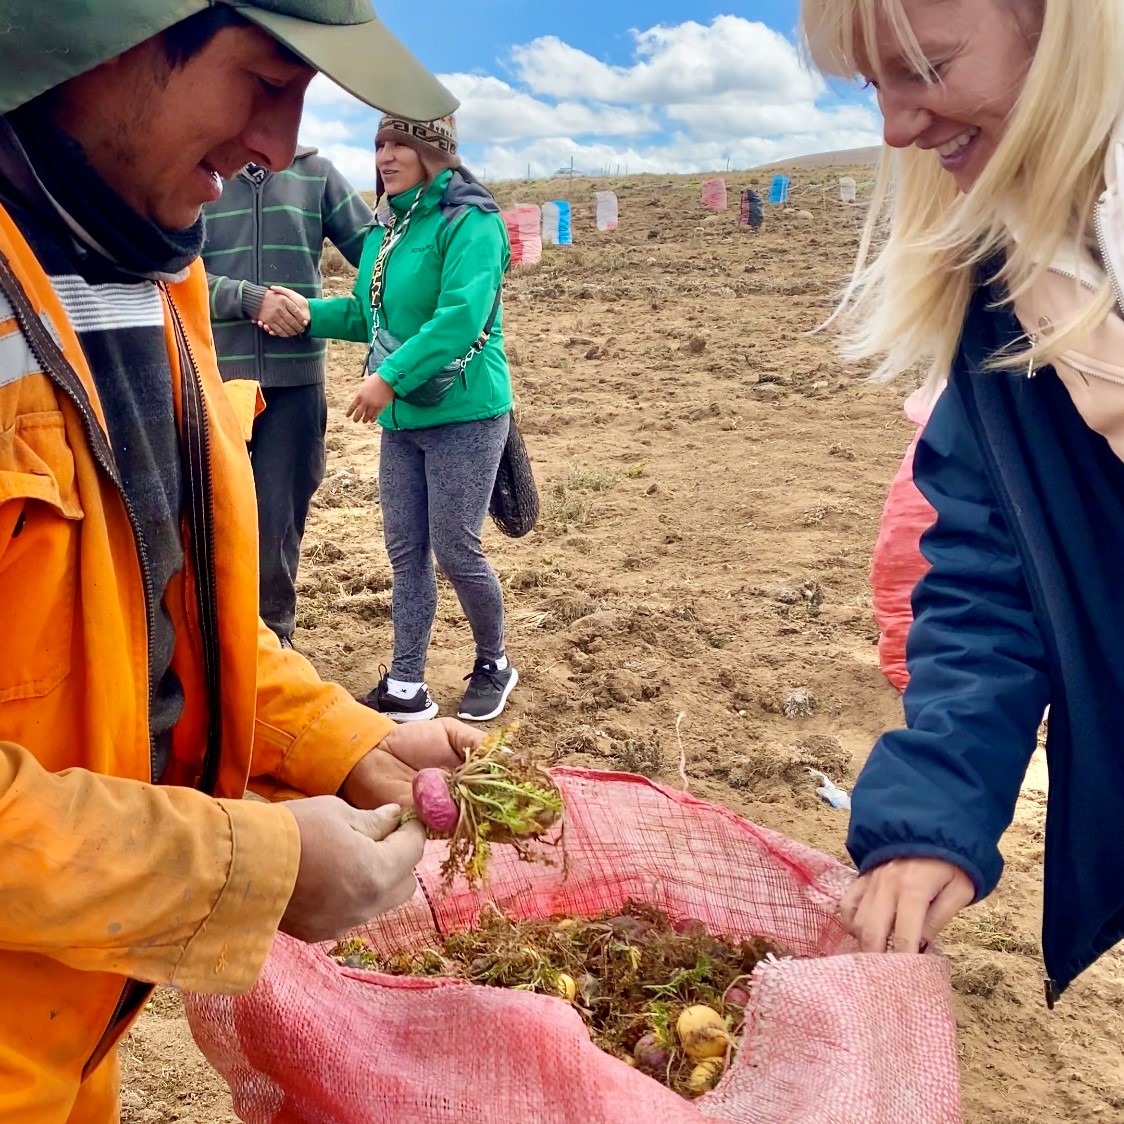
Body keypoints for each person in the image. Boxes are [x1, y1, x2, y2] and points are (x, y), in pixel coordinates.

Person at [0, 4, 478, 1120]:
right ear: (97, 39)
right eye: (261, 79)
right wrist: (242, 866)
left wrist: (348, 743)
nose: (277, 141)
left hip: (59, 1040)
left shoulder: (143, 266)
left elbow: (166, 615)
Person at [799, 0, 1124, 1002]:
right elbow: (989, 570)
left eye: (923, 68)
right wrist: (929, 813)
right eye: (872, 86)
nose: (895, 126)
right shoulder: (1001, 273)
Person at [261, 113, 519, 724]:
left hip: (465, 413)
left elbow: (460, 318)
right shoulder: (388, 229)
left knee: (456, 549)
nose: (386, 156)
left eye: (401, 142)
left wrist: (385, 379)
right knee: (406, 552)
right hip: (404, 421)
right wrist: (308, 314)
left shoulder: (471, 223)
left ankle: (494, 662)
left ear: (437, 151)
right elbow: (366, 315)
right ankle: (406, 684)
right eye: (379, 144)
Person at [203, 150, 373, 648]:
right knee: (210, 517)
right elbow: (176, 269)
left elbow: (383, 257)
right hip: (215, 380)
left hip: (295, 382)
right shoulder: (205, 168)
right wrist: (250, 298)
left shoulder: (316, 175)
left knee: (277, 521)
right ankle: (212, 641)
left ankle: (273, 642)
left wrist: (327, 313)